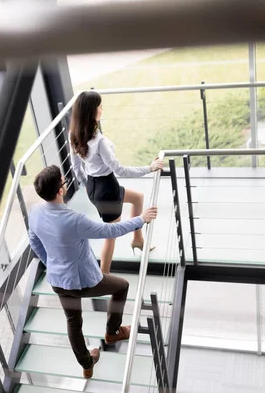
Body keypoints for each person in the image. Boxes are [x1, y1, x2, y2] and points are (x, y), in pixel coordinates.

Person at [28, 165, 158, 378]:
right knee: (122, 286)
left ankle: (87, 365)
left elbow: (34, 241)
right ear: (60, 190)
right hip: (83, 282)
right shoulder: (74, 220)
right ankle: (113, 332)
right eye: (64, 181)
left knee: (73, 321)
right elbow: (109, 230)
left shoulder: (35, 213)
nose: (66, 183)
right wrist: (140, 219)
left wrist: (50, 263)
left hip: (57, 280)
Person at [69, 90, 164, 274]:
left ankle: (138, 240)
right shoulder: (99, 142)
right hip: (107, 190)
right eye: (99, 106)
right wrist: (149, 168)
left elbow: (76, 167)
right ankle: (104, 276)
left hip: (95, 187)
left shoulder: (74, 134)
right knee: (110, 236)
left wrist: (88, 185)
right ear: (92, 112)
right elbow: (120, 170)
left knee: (137, 198)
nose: (102, 108)